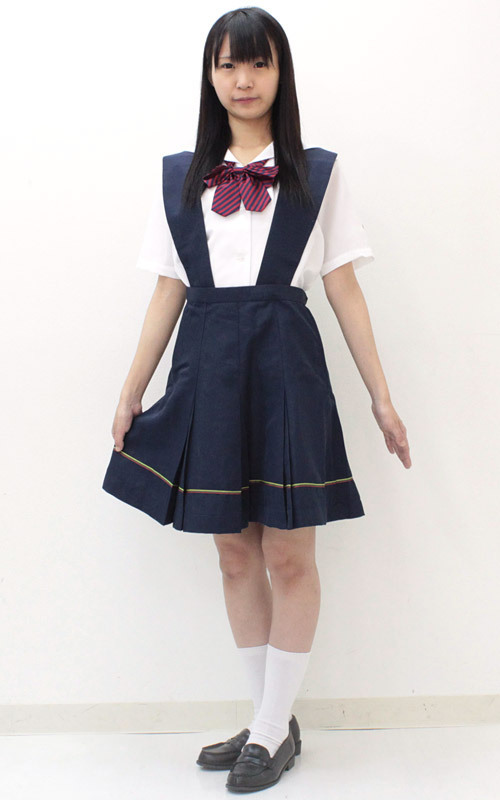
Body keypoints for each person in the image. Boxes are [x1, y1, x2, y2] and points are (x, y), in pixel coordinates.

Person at [102, 6, 411, 793]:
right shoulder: (180, 177)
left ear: (281, 73)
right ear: (210, 76)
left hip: (284, 369)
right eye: (228, 64)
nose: (243, 79)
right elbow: (168, 290)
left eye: (259, 62)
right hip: (206, 368)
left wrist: (382, 398)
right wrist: (131, 391)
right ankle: (270, 719)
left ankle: (271, 729)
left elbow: (343, 289)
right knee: (234, 549)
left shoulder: (317, 173)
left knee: (288, 551)